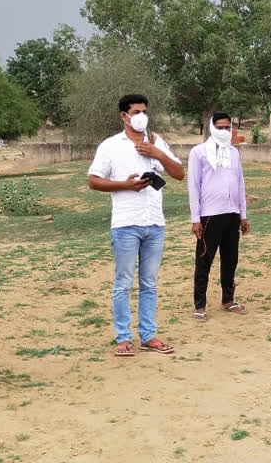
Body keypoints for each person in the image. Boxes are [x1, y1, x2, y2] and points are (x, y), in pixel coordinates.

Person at [88, 94, 184, 356]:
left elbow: (178, 174)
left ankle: (148, 335)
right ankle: (123, 337)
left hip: (154, 223)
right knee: (123, 282)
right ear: (124, 116)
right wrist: (125, 185)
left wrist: (158, 154)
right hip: (126, 224)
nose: (141, 115)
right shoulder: (110, 146)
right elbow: (93, 180)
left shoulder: (156, 142)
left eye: (144, 111)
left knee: (150, 283)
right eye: (135, 111)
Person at [188, 112, 249, 322]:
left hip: (231, 214)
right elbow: (193, 186)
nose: (224, 131)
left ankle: (228, 299)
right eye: (220, 127)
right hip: (209, 216)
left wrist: (243, 215)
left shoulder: (233, 153)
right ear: (212, 128)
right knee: (204, 260)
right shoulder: (199, 152)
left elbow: (240, 183)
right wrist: (196, 218)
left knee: (230, 259)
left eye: (227, 127)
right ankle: (200, 305)